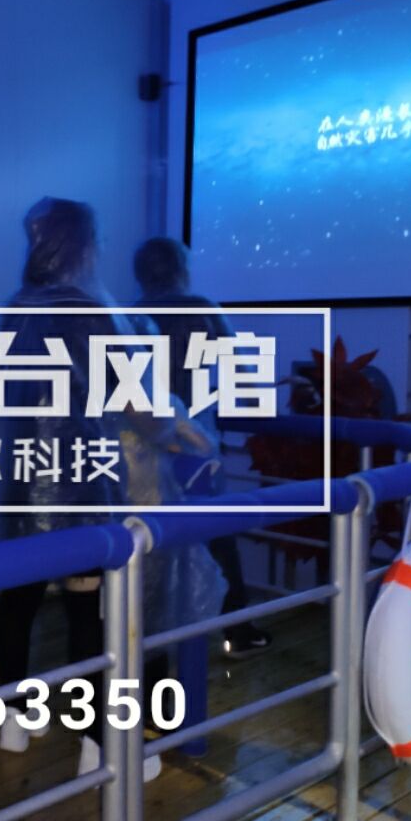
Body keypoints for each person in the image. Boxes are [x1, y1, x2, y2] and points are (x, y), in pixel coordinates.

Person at [0, 198, 166, 775]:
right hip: (79, 482)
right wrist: (177, 429)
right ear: (82, 246)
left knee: (19, 599)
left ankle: (13, 722)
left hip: (20, 480)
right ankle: (96, 745)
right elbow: (139, 404)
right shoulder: (92, 310)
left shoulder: (15, 308)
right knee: (87, 608)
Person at [133, 236, 272, 657]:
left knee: (150, 543)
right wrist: (257, 406)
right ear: (181, 269)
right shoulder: (202, 308)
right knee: (217, 534)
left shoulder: (130, 314)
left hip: (145, 449)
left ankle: (147, 640)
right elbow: (241, 373)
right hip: (195, 443)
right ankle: (237, 630)